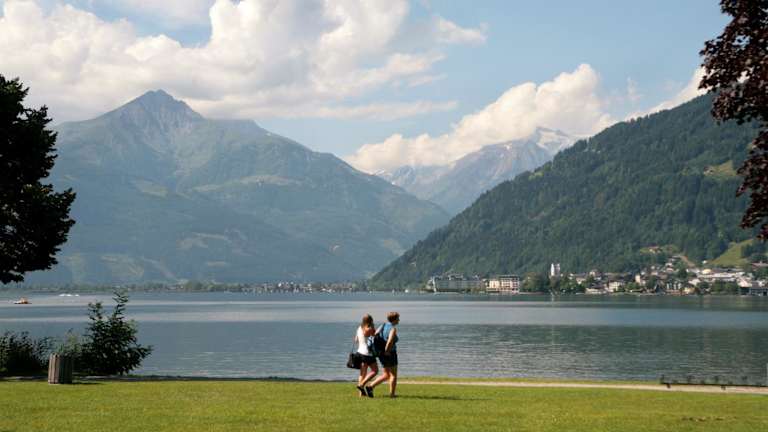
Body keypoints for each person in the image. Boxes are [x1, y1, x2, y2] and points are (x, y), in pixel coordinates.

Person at [369, 311, 400, 398]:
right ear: (394, 319)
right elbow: (389, 341)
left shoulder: (383, 325)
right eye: (398, 318)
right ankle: (392, 394)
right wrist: (387, 351)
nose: (399, 320)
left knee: (386, 375)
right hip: (390, 353)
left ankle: (370, 386)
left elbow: (374, 335)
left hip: (381, 354)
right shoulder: (393, 329)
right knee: (393, 375)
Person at [354, 314, 378, 397]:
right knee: (375, 371)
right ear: (371, 320)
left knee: (362, 373)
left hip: (359, 353)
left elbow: (356, 340)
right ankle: (362, 384)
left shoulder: (359, 328)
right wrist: (373, 328)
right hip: (367, 354)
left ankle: (361, 394)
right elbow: (374, 336)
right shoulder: (370, 328)